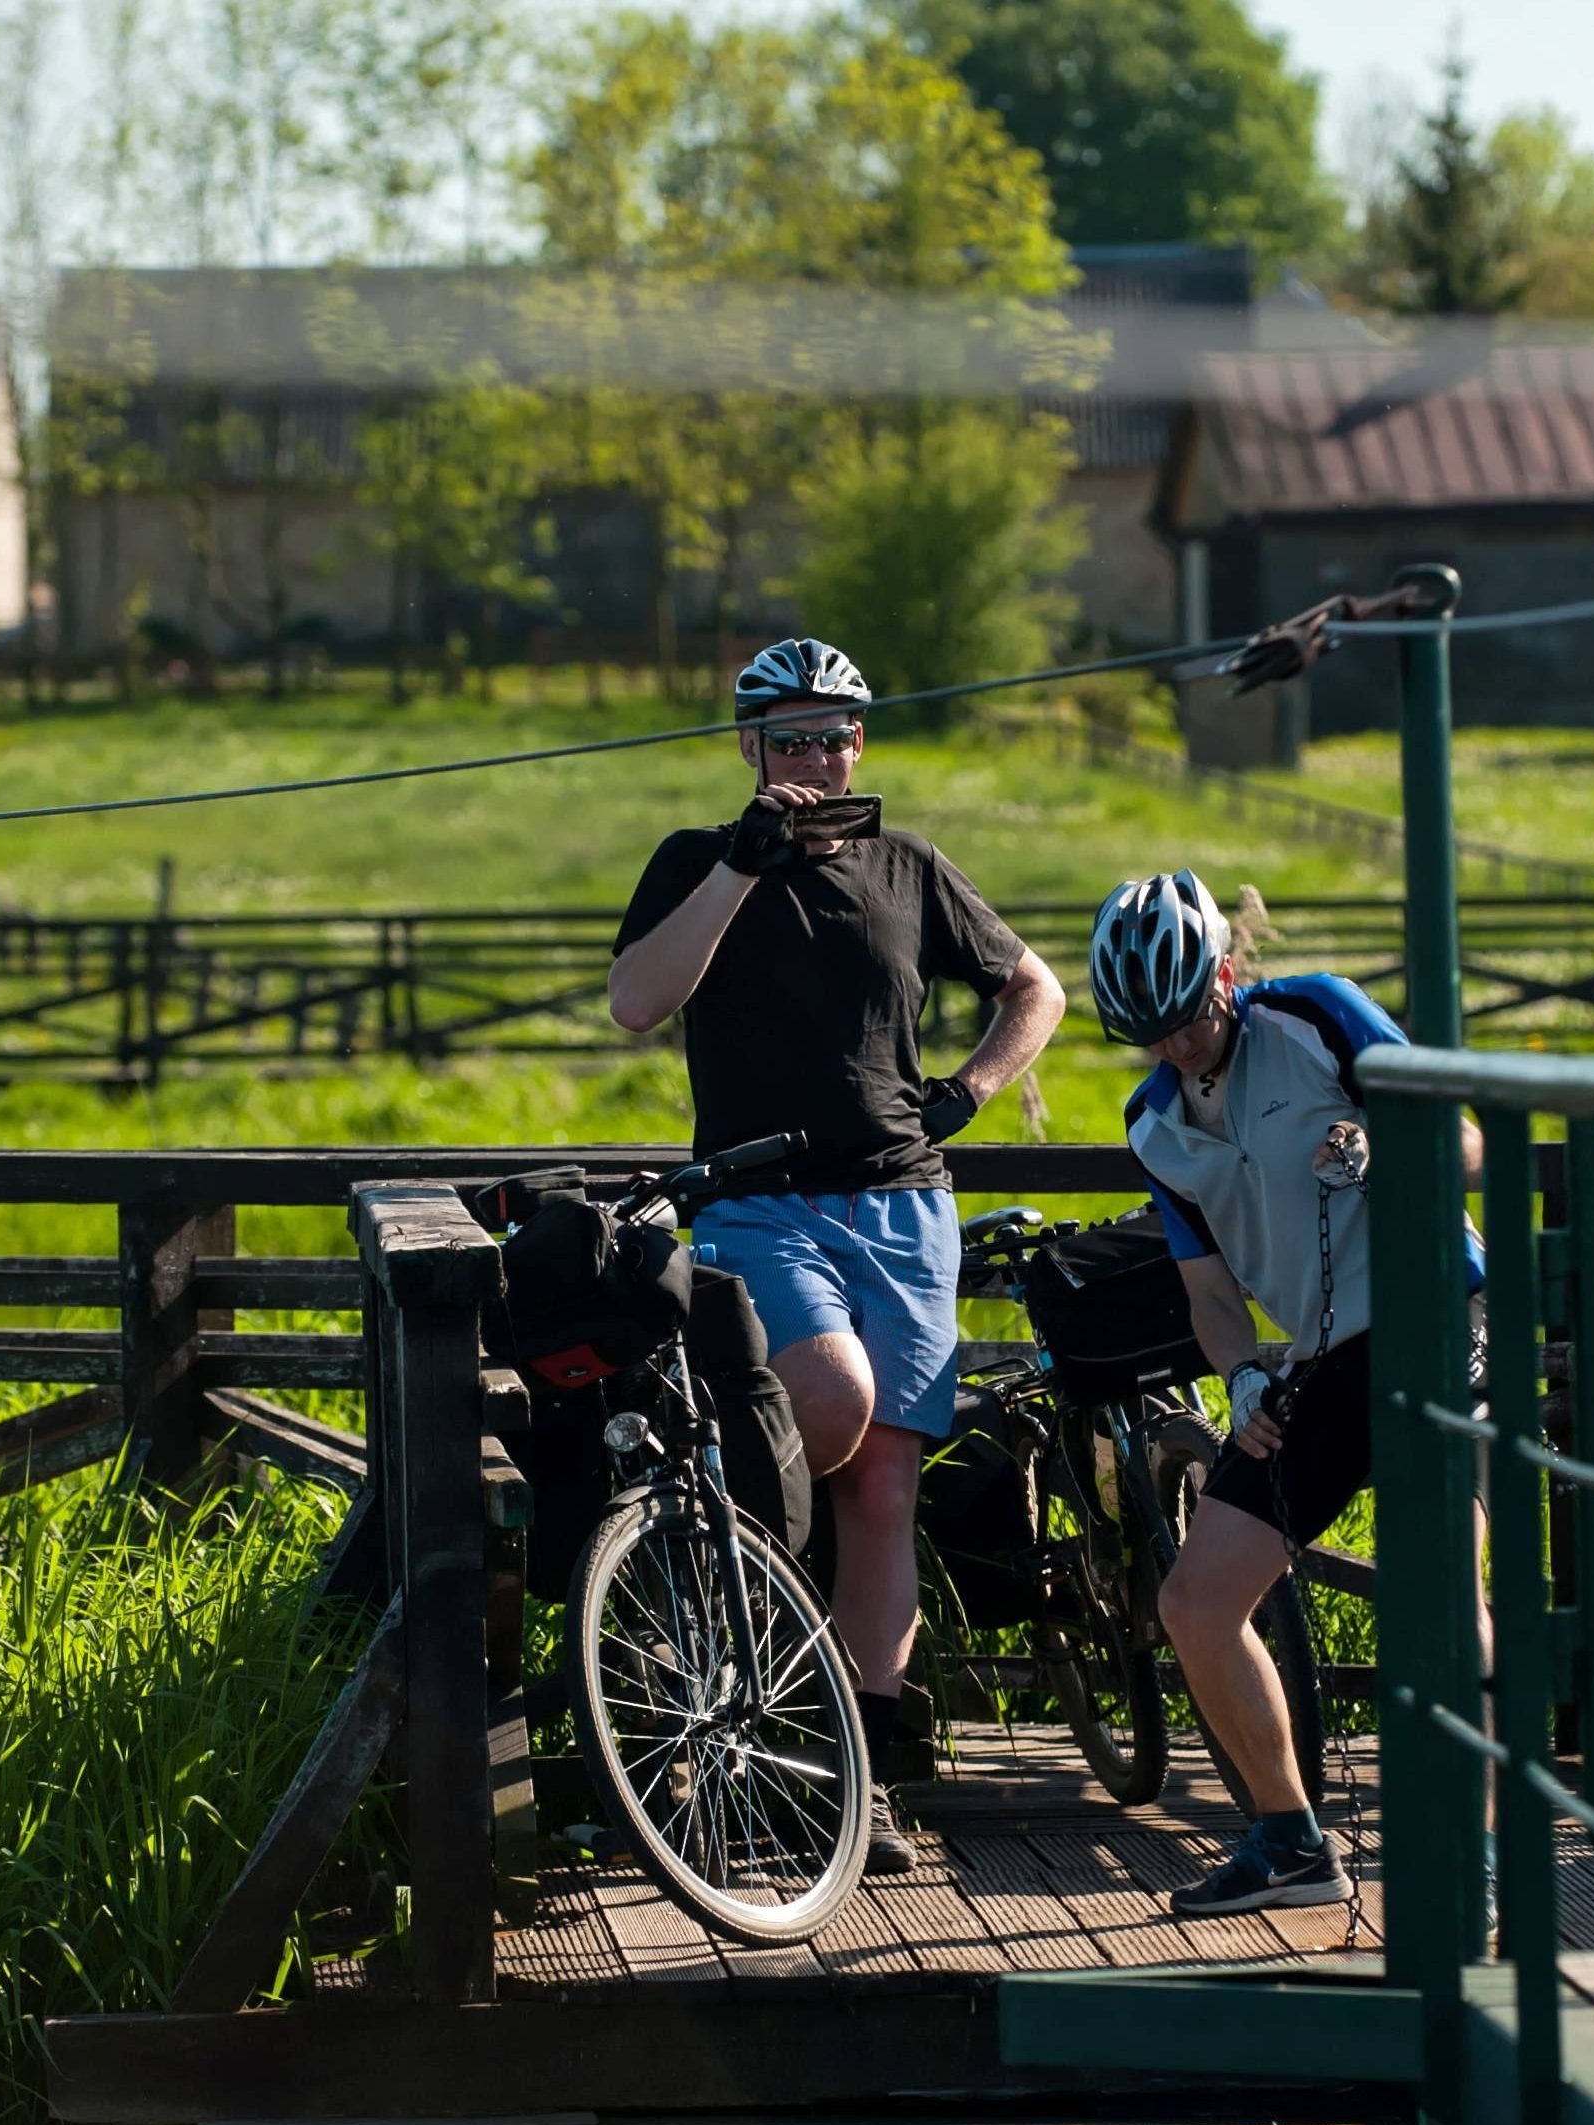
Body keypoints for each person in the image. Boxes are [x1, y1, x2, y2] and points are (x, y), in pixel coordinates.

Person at [606, 639, 1067, 1868]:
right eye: (792, 737)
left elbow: (1036, 987)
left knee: (885, 1489)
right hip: (762, 1205)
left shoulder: (910, 867)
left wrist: (969, 1091)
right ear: (749, 744)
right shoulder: (698, 862)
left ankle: (854, 1776)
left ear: (861, 743)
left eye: (836, 736)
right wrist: (742, 870)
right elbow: (637, 1002)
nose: (817, 759)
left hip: (905, 1208)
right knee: (827, 1402)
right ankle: (709, 1612)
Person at [1089, 871, 1480, 1917]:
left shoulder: (1316, 1015)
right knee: (1195, 1603)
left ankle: (1474, 1858)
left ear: (1224, 975)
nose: (1176, 1046)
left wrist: (1388, 1140)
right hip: (1312, 1365)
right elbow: (1210, 1293)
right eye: (1150, 1033)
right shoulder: (1152, 1125)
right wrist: (1244, 1374)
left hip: (1433, 1319)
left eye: (1187, 1017)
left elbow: (1468, 1142)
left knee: (1443, 1595)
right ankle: (1290, 1840)